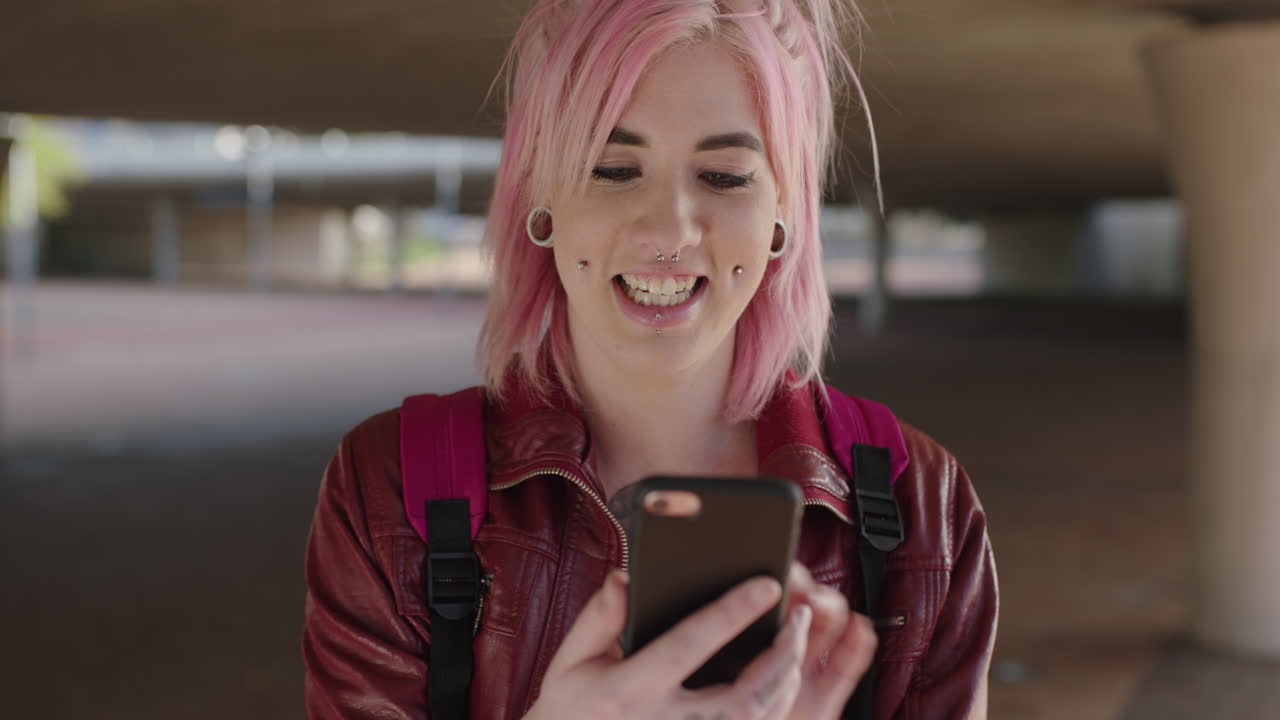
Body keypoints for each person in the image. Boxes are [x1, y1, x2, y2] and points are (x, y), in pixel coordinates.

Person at [302, 0, 998, 718]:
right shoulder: (387, 487)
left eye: (724, 176)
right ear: (540, 193)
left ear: (783, 213)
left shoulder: (925, 505)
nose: (668, 231)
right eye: (612, 168)